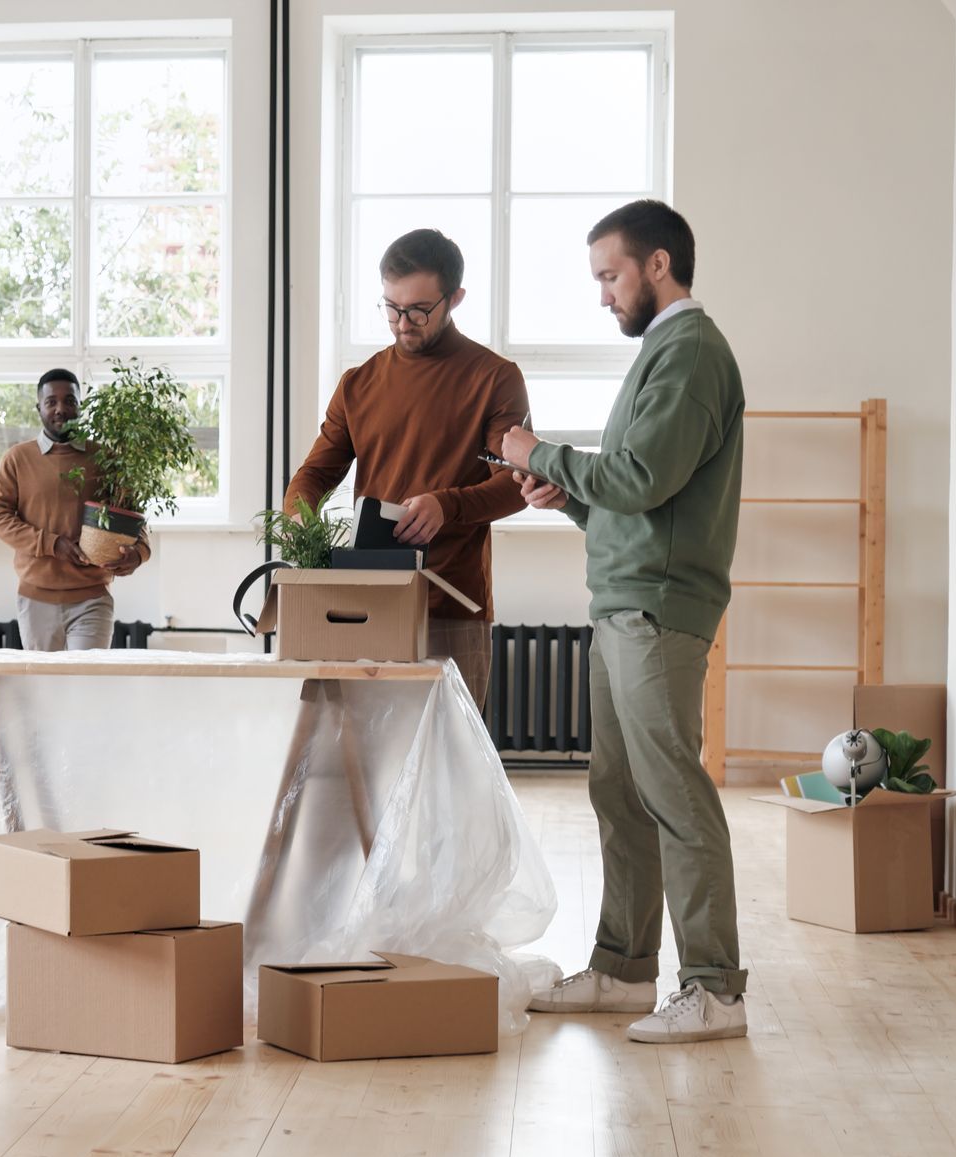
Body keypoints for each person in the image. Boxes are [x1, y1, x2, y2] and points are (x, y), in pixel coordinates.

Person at [501, 200, 748, 1044]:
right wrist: (568, 496)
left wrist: (537, 453)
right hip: (622, 603)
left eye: (611, 275)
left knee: (672, 790)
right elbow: (643, 502)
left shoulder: (691, 353)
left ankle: (715, 986)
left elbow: (640, 477)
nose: (604, 294)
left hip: (656, 609)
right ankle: (622, 970)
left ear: (658, 264)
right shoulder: (662, 356)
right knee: (618, 794)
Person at [283, 229, 529, 706]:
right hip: (362, 601)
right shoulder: (359, 383)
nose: (401, 323)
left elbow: (517, 486)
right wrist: (298, 516)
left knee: (451, 764)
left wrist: (448, 506)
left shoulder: (495, 377)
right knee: (343, 759)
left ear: (455, 298)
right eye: (391, 308)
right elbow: (313, 475)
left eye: (418, 310)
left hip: (452, 604)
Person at [0, 369, 149, 651]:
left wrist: (140, 553)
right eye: (51, 402)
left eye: (69, 401)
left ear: (80, 406)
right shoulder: (18, 458)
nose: (61, 409)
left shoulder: (105, 457)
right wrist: (51, 544)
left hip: (93, 597)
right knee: (44, 689)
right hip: (35, 597)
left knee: (85, 686)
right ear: (39, 408)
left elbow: (133, 515)